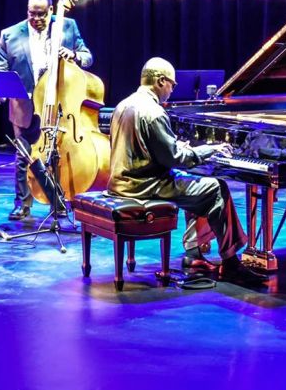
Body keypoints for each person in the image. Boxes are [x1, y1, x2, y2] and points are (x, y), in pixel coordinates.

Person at [107, 57, 253, 281]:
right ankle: (231, 261)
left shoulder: (123, 104)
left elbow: (147, 149)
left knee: (194, 180)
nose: (173, 90)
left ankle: (194, 254)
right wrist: (207, 150)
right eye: (172, 85)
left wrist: (180, 149)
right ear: (160, 81)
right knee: (216, 188)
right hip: (146, 186)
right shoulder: (153, 112)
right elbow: (174, 158)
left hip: (120, 183)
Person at [0, 0, 94, 220]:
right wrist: (0, 91)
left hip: (59, 105)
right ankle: (22, 204)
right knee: (23, 157)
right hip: (24, 104)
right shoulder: (9, 35)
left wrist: (74, 55)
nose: (36, 19)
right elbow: (0, 68)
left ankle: (59, 202)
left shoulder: (67, 26)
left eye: (41, 14)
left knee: (59, 154)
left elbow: (88, 57)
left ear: (51, 10)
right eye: (32, 14)